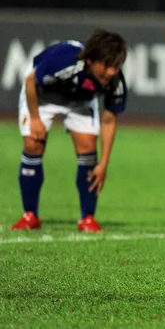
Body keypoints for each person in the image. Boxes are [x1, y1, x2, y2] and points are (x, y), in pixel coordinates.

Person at [11, 29, 128, 233]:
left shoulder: (115, 82)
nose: (111, 72)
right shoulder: (63, 61)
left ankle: (87, 218)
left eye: (116, 66)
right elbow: (31, 81)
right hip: (43, 95)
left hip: (81, 100)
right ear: (91, 61)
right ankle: (30, 216)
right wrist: (36, 119)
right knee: (33, 143)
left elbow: (109, 120)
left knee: (88, 148)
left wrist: (104, 164)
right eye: (107, 66)